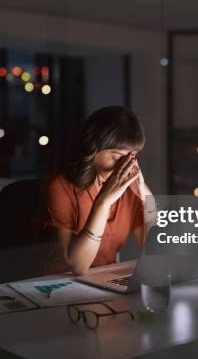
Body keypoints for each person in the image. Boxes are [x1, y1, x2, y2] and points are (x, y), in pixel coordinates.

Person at [36, 106, 153, 275]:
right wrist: (103, 203)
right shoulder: (60, 187)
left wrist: (145, 195)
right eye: (117, 156)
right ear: (93, 148)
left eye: (133, 156)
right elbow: (78, 266)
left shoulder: (129, 192)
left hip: (102, 280)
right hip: (57, 285)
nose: (126, 165)